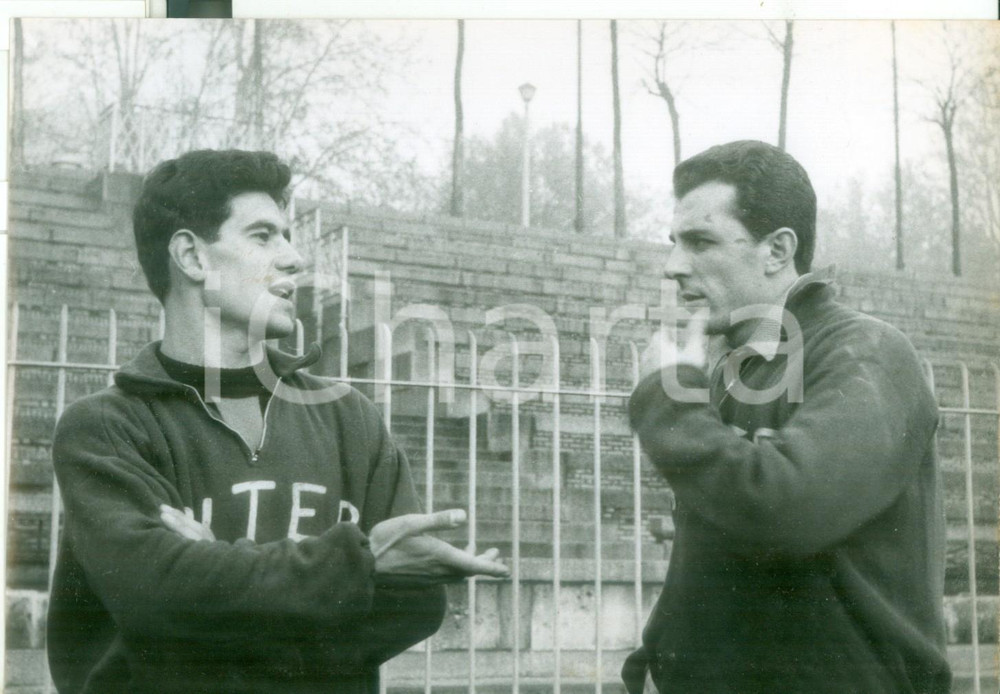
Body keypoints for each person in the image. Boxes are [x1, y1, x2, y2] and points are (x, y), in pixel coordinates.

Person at [46, 149, 508, 694]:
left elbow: (415, 602)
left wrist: (209, 580)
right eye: (263, 236)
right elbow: (157, 595)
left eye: (286, 236)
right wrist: (355, 569)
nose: (294, 259)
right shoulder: (105, 428)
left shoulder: (348, 416)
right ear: (191, 256)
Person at [623, 140, 950, 693]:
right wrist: (657, 660)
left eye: (701, 241)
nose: (673, 266)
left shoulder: (867, 352)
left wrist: (668, 399)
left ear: (777, 250)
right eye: (674, 243)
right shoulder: (735, 370)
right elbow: (712, 559)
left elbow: (784, 510)